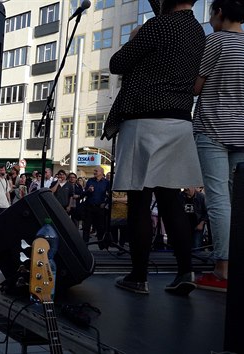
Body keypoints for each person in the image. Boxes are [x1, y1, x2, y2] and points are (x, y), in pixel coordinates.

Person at [103, 0, 205, 295]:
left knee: (137, 201)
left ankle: (138, 276)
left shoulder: (157, 26)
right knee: (171, 200)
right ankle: (186, 271)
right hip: (178, 122)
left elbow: (117, 64)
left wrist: (134, 37)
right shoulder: (198, 32)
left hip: (143, 122)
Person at [192, 0, 244, 292]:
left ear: (219, 13)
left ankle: (221, 268)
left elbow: (196, 87)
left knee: (218, 199)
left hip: (213, 128)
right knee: (238, 202)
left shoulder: (216, 41)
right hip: (242, 132)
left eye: (211, 13)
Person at [81, 167, 109, 245]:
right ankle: (85, 244)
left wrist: (105, 203)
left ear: (101, 172)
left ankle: (101, 243)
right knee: (86, 226)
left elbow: (110, 195)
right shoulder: (90, 181)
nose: (94, 172)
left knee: (100, 226)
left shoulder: (106, 182)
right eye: (94, 171)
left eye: (96, 171)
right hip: (89, 207)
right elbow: (84, 193)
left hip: (100, 207)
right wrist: (88, 191)